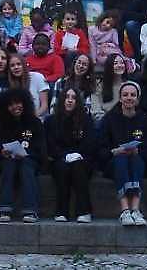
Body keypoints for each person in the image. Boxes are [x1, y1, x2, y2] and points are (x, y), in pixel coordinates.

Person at [99, 81, 147, 227]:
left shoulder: (144, 120)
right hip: (113, 162)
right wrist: (116, 151)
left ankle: (135, 209)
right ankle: (125, 210)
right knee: (122, 160)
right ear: (120, 98)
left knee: (136, 160)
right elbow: (101, 150)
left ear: (138, 99)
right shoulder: (109, 119)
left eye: (133, 95)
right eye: (125, 95)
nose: (129, 98)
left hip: (136, 161)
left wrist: (137, 150)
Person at [0, 88, 45, 223]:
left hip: (30, 159)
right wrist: (3, 152)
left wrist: (27, 154)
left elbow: (41, 148)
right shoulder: (1, 125)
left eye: (18, 103)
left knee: (26, 166)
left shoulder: (35, 123)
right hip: (8, 160)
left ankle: (31, 209)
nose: (15, 107)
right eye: (10, 105)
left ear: (25, 103)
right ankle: (4, 207)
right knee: (8, 165)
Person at [45, 87, 95, 223]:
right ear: (62, 100)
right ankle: (62, 211)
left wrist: (77, 155)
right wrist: (64, 155)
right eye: (67, 97)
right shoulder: (51, 121)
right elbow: (50, 144)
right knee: (62, 168)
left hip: (81, 158)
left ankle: (84, 211)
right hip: (59, 158)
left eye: (73, 98)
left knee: (78, 167)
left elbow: (89, 143)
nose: (70, 100)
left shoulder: (86, 120)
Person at [7, 52, 50, 117]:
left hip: (38, 117)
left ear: (24, 65)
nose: (16, 67)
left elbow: (44, 106)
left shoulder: (38, 77)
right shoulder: (7, 82)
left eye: (19, 64)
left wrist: (32, 118)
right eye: (12, 65)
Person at [92, 54, 132, 120]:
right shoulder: (98, 86)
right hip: (105, 122)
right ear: (109, 66)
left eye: (122, 63)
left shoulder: (131, 85)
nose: (119, 65)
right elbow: (96, 112)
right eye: (115, 63)